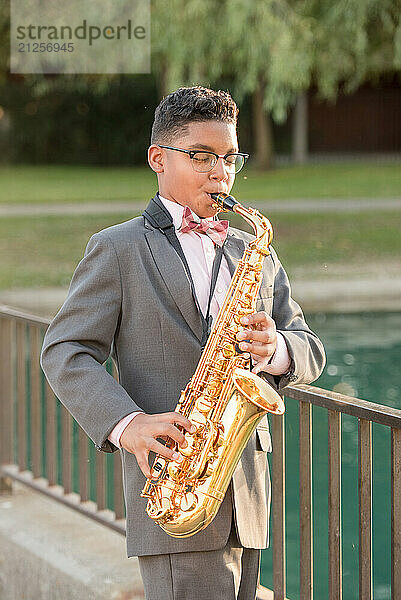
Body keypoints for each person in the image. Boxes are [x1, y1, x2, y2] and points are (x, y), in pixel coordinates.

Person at [41, 85, 325, 600]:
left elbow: (310, 348)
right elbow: (65, 350)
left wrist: (274, 347)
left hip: (249, 497)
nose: (221, 171)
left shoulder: (251, 248)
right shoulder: (117, 247)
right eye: (201, 156)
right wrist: (126, 425)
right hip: (175, 489)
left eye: (230, 158)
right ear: (157, 158)